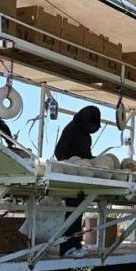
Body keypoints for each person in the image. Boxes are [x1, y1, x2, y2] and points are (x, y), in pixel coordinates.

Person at [54, 105, 103, 257]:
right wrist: (72, 164)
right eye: (90, 124)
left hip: (81, 180)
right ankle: (67, 247)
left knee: (77, 213)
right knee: (72, 213)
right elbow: (59, 152)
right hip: (72, 179)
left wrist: (95, 161)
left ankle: (75, 244)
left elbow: (86, 155)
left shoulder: (85, 135)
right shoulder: (71, 129)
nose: (91, 128)